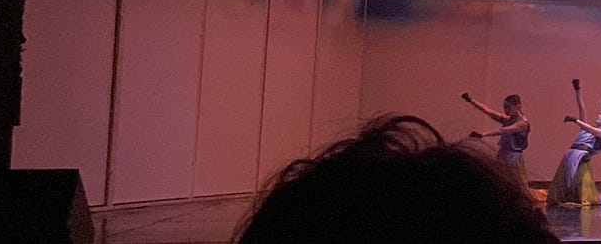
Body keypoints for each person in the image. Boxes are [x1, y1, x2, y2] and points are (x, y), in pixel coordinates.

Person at [237, 114, 559, 243]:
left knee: (511, 187)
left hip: (510, 157)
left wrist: (484, 133)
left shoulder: (521, 123)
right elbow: (494, 116)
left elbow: (502, 128)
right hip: (503, 163)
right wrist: (471, 102)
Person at [547, 78, 601, 207]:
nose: (598, 115)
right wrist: (577, 90)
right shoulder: (587, 128)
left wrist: (575, 121)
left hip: (580, 158)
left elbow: (592, 130)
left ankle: (578, 197)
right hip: (570, 156)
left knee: (579, 183)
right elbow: (581, 107)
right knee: (565, 181)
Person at [461, 91, 536, 197]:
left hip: (513, 157)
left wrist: (482, 134)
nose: (505, 110)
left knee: (517, 185)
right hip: (503, 154)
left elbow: (504, 130)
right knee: (497, 178)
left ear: (517, 106)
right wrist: (471, 100)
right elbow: (488, 111)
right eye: (504, 107)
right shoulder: (508, 119)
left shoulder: (522, 124)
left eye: (508, 107)